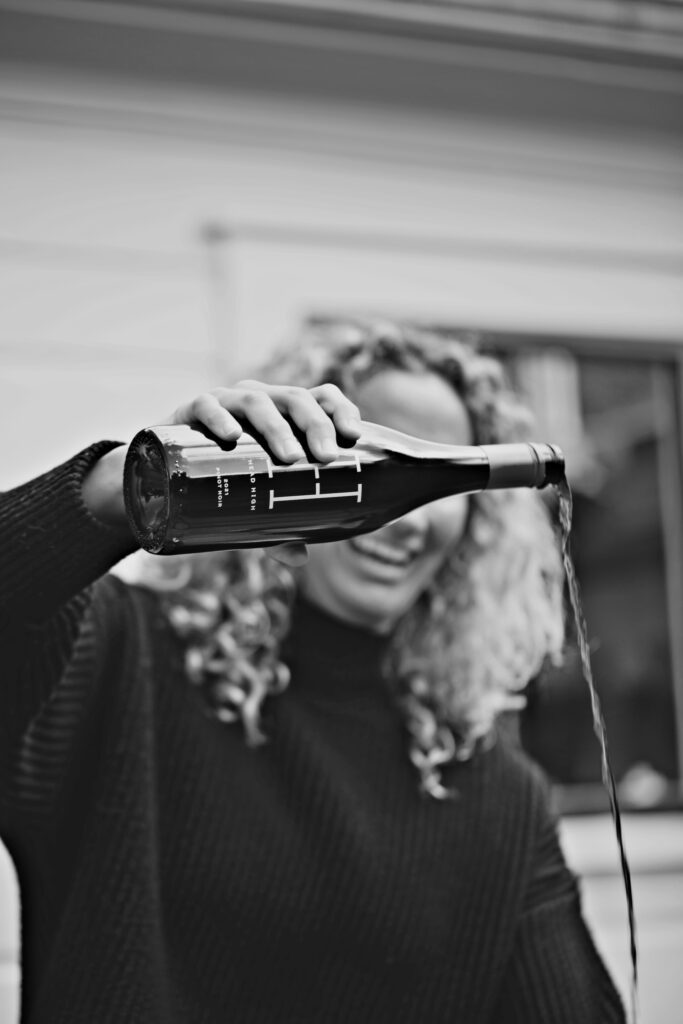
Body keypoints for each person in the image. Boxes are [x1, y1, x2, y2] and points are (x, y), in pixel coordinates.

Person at [0, 320, 625, 1023]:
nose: (404, 517)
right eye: (362, 461)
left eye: (435, 483)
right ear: (285, 465)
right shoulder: (119, 656)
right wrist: (114, 494)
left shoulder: (497, 790)